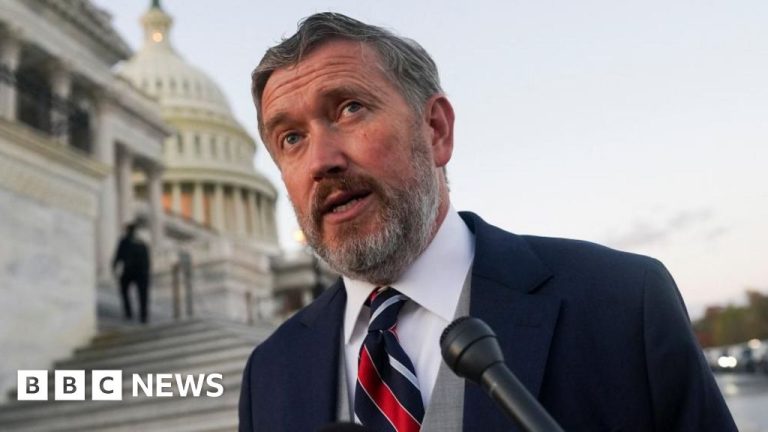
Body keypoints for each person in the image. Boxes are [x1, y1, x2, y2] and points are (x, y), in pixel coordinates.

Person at [239, 12, 736, 432]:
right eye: (291, 138)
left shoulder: (624, 301)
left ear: (436, 130)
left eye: (350, 109)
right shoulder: (269, 373)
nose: (321, 160)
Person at [112, 222, 151, 324]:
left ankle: (132, 313)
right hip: (139, 272)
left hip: (132, 271)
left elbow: (118, 255)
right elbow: (147, 259)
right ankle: (142, 315)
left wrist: (114, 267)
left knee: (129, 291)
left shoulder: (126, 242)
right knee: (141, 293)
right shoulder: (140, 242)